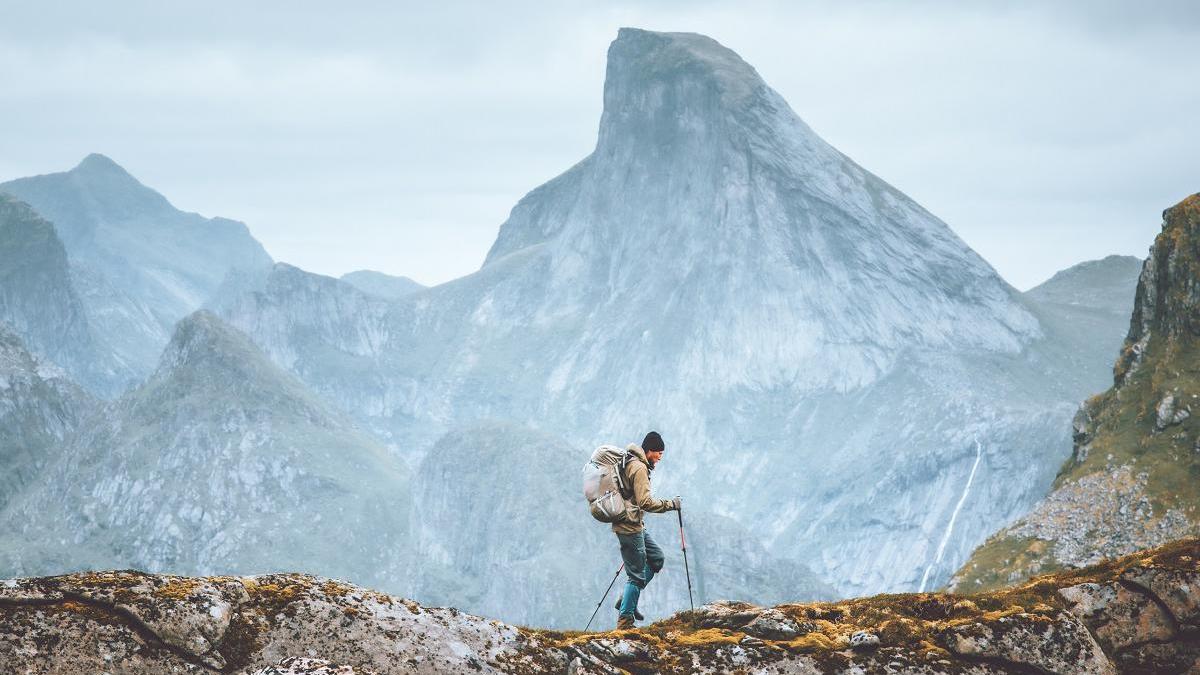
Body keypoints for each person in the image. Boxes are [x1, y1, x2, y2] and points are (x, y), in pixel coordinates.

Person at [613, 430, 680, 629]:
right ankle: (625, 620)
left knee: (657, 558)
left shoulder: (634, 462)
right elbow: (645, 502)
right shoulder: (639, 467)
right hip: (629, 527)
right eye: (659, 452)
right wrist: (671, 505)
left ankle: (626, 598)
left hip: (635, 525)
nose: (660, 457)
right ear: (650, 450)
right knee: (636, 575)